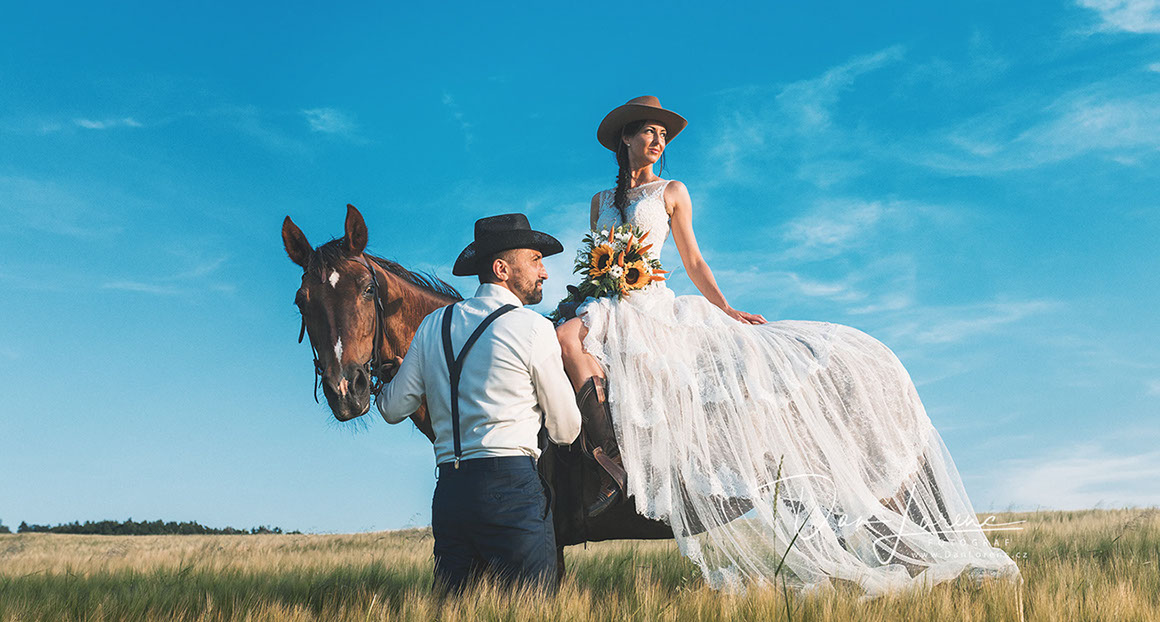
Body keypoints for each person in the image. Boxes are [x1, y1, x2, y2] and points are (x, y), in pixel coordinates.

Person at [554, 96, 1021, 595]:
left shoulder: (672, 191)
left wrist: (726, 309)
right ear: (625, 138)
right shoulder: (599, 201)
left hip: (650, 303)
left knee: (652, 370)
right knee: (562, 336)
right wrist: (584, 295)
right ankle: (601, 449)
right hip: (607, 302)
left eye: (663, 135)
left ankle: (608, 458)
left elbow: (692, 260)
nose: (657, 141)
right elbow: (594, 259)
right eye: (648, 132)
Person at [378, 213, 581, 594]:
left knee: (455, 609)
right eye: (535, 260)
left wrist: (396, 375)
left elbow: (391, 409)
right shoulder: (532, 327)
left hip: (450, 495)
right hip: (512, 489)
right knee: (529, 609)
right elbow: (566, 428)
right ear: (502, 268)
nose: (545, 272)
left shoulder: (432, 326)